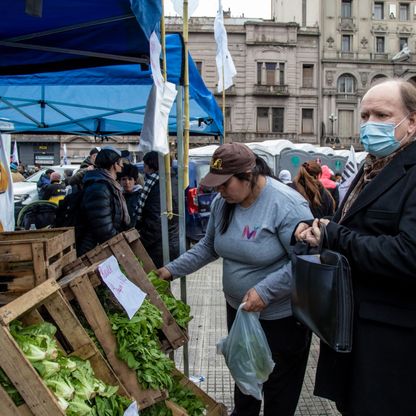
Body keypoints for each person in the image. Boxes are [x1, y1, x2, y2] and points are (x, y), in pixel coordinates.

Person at [158, 143, 313, 416]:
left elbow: (305, 262)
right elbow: (208, 247)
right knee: (245, 383)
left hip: (282, 320)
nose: (218, 191)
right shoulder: (223, 203)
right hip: (240, 312)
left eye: (224, 184)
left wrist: (265, 291)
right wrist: (170, 271)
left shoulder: (286, 205)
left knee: (278, 391)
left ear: (248, 174)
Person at [294, 78, 416, 416]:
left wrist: (336, 236)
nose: (369, 124)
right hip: (353, 333)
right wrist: (317, 229)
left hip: (392, 347)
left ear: (412, 121)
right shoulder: (371, 167)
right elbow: (355, 225)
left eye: (381, 115)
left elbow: (409, 255)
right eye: (364, 116)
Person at [77, 146, 130, 256]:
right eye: (120, 162)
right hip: (94, 251)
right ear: (114, 164)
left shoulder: (110, 185)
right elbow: (103, 229)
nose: (122, 165)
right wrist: (120, 245)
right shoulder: (99, 188)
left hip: (103, 248)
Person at [135, 151, 179, 268]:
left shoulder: (159, 185)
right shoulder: (169, 181)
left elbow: (156, 221)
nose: (144, 170)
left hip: (161, 245)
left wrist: (141, 243)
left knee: (157, 281)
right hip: (168, 241)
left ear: (151, 166)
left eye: (144, 166)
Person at [119, 163, 142, 228]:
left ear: (135, 181)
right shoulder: (117, 195)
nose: (127, 182)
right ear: (120, 181)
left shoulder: (141, 195)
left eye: (130, 179)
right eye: (124, 179)